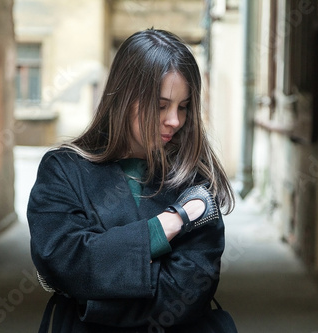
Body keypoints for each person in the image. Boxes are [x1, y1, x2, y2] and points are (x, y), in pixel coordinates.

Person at [27, 28, 235, 333]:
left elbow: (186, 294)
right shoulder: (63, 171)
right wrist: (168, 224)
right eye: (161, 105)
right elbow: (64, 261)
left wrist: (90, 297)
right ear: (125, 98)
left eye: (183, 106)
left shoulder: (195, 180)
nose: (174, 121)